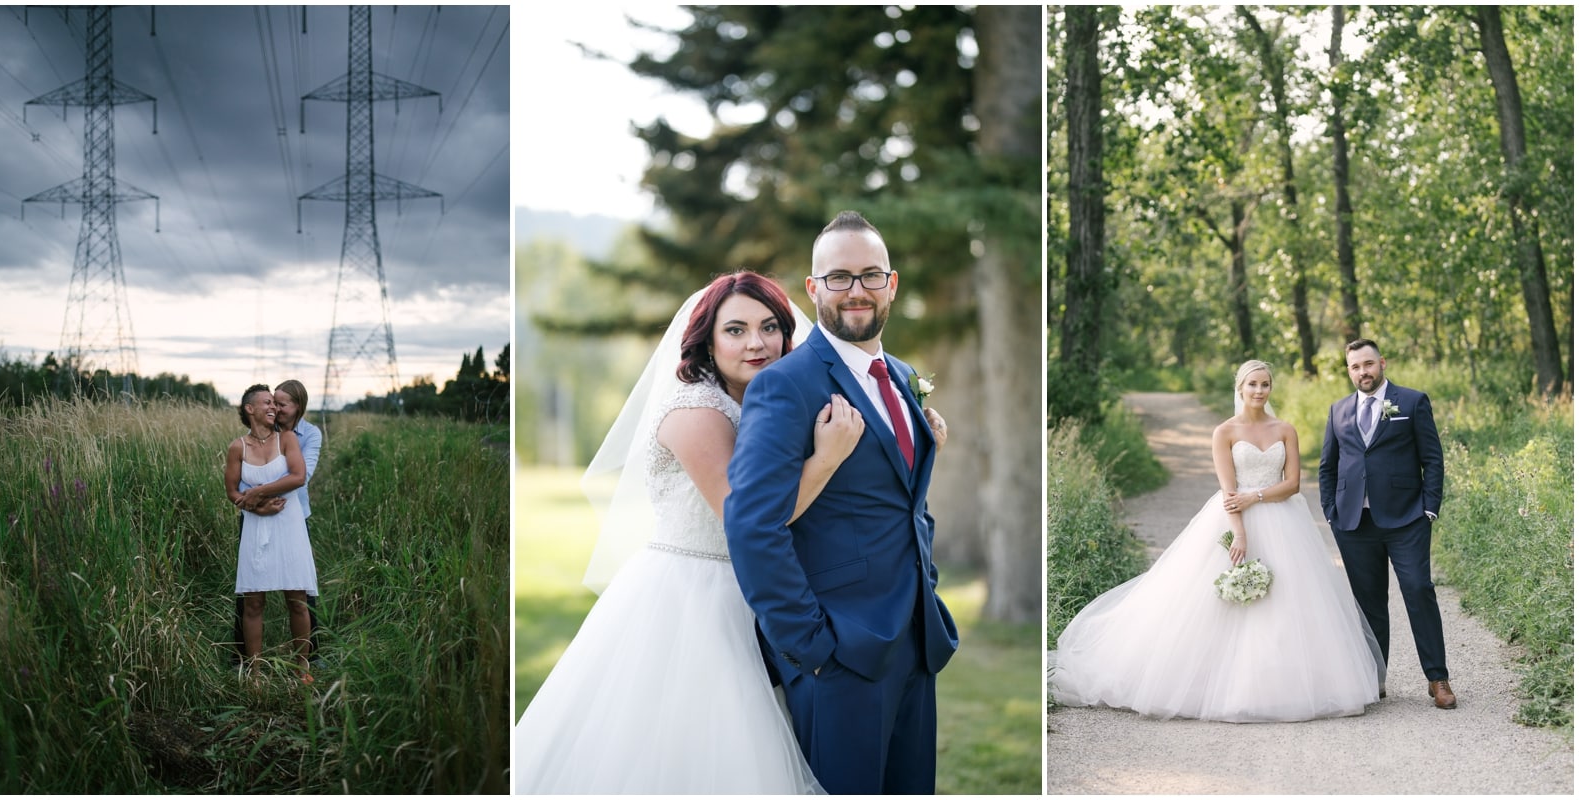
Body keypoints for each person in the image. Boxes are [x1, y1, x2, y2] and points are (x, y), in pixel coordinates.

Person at [516, 271, 945, 794]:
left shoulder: (779, 401)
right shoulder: (694, 411)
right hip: (698, 598)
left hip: (770, 591)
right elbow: (746, 518)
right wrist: (827, 458)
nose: (756, 343)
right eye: (735, 330)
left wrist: (913, 441)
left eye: (769, 327)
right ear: (707, 340)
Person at [724, 211, 959, 794]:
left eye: (870, 275)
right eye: (839, 277)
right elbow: (752, 526)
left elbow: (906, 502)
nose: (856, 290)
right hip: (839, 655)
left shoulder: (903, 377)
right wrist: (811, 647)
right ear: (813, 288)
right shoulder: (785, 385)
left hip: (914, 640)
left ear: (892, 284)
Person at [1049, 360, 1385, 722]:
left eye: (1265, 384)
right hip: (1233, 519)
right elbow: (1229, 491)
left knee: (1291, 599)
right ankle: (1212, 683)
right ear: (1240, 389)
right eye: (1252, 384)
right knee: (1213, 602)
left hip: (1283, 518)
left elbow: (1291, 484)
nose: (1259, 391)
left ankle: (1284, 683)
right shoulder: (1224, 432)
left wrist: (1255, 497)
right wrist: (1238, 533)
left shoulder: (1285, 429)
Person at [1319, 339, 1453, 709]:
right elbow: (1328, 466)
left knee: (1418, 590)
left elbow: (1433, 458)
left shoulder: (1412, 402)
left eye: (1368, 364)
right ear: (1348, 371)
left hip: (1407, 517)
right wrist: (1331, 511)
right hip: (1353, 523)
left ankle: (1437, 678)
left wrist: (1429, 508)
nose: (1363, 372)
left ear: (1382, 363)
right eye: (1354, 367)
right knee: (1368, 603)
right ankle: (1373, 679)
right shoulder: (1338, 410)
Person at [225, 384, 319, 684]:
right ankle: (254, 671)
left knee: (297, 598)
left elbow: (298, 476)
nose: (273, 408)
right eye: (266, 402)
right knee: (253, 601)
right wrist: (255, 508)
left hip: (289, 522)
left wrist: (257, 493)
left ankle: (302, 668)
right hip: (257, 524)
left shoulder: (288, 439)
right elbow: (231, 492)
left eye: (276, 404)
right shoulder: (237, 447)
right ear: (249, 409)